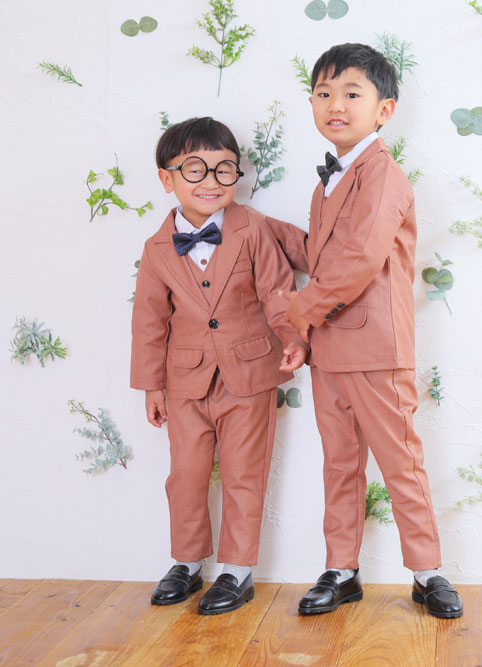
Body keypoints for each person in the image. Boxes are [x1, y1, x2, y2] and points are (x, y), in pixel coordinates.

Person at [272, 43, 463, 618]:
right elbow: (322, 256)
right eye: (324, 93)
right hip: (330, 351)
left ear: (384, 110)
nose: (336, 104)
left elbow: (357, 262)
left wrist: (298, 311)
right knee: (339, 465)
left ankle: (428, 573)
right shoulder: (326, 185)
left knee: (401, 461)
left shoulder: (383, 175)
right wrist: (257, 227)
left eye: (351, 93)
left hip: (378, 349)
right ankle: (341, 570)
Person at [131, 117, 307, 615]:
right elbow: (149, 321)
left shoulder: (252, 228)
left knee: (243, 474)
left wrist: (293, 337)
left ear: (236, 174)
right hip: (184, 380)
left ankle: (236, 570)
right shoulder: (157, 248)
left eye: (224, 169)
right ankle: (186, 563)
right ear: (167, 179)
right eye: (195, 169)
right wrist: (151, 386)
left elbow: (277, 292)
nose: (211, 181)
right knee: (185, 475)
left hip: (249, 374)